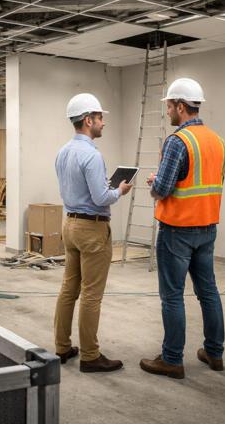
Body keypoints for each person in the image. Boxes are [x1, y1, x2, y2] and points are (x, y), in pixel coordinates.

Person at [140, 77, 225, 379]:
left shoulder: (178, 141)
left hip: (177, 229)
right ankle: (214, 353)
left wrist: (154, 183)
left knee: (173, 296)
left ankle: (172, 359)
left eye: (168, 106)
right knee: (209, 292)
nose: (167, 112)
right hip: (207, 228)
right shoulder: (218, 142)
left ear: (180, 106)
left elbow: (163, 189)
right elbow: (211, 183)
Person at [54, 93, 132, 372]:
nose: (103, 123)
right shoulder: (92, 155)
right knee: (91, 294)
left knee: (68, 288)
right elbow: (101, 197)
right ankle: (90, 355)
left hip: (70, 224)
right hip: (92, 228)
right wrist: (119, 191)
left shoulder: (63, 152)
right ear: (88, 120)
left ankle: (62, 348)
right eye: (100, 118)